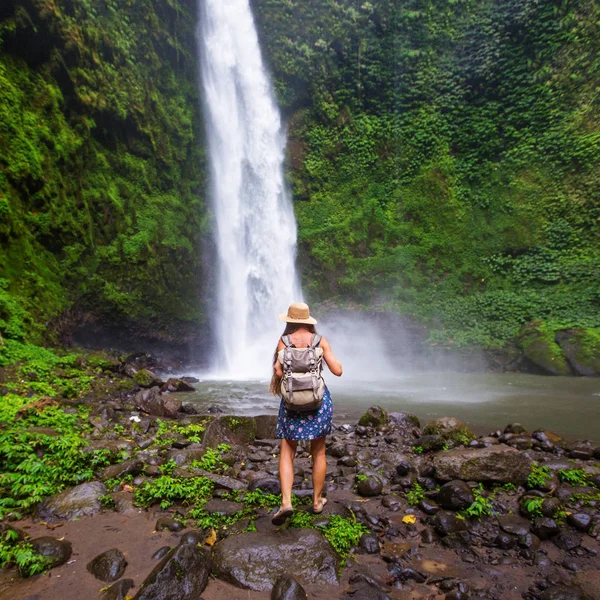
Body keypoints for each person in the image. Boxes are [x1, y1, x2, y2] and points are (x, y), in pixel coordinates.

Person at [269, 302, 342, 525]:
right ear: (308, 321)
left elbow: (279, 373)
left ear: (289, 321)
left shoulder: (284, 342)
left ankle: (286, 502)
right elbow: (338, 371)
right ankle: (317, 501)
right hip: (317, 404)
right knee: (318, 452)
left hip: (292, 403)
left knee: (287, 452)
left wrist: (280, 368)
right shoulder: (320, 341)